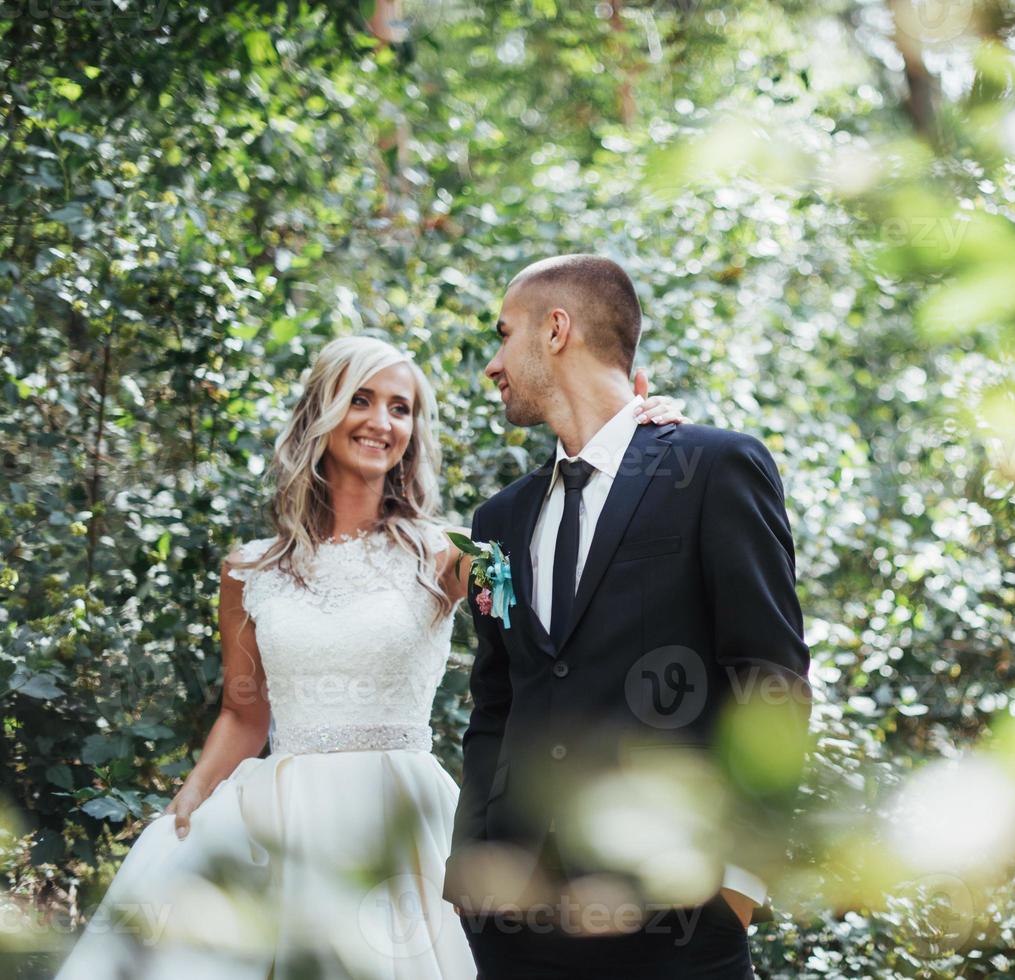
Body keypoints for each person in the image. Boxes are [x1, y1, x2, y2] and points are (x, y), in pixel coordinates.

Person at [54, 334, 687, 979]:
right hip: (274, 824)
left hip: (400, 821)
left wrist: (635, 437)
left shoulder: (447, 555)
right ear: (321, 413)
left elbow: (561, 631)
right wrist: (187, 800)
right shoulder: (249, 570)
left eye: (401, 408)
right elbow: (244, 716)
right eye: (361, 400)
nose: (382, 422)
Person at [445, 254, 812, 979]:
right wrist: (474, 866)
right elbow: (496, 703)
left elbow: (769, 679)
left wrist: (739, 879)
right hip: (517, 928)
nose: (492, 364)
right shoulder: (500, 519)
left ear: (556, 330)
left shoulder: (713, 468)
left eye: (502, 333)